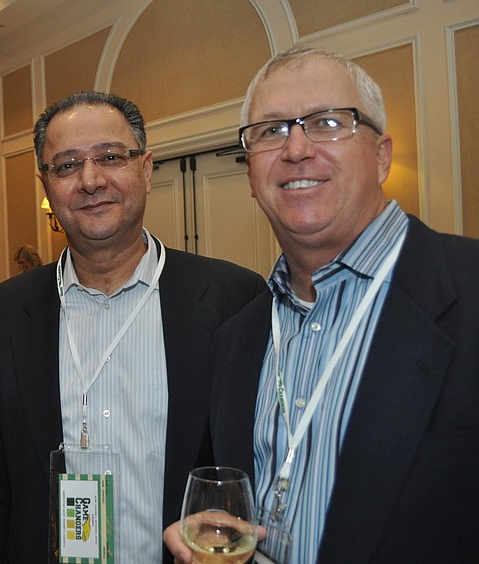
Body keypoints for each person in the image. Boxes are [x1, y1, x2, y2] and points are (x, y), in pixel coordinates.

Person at [164, 46, 479, 563]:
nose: (296, 148)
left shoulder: (467, 292)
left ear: (382, 155)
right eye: (271, 130)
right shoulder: (237, 337)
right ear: (251, 176)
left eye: (328, 122)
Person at [0, 90, 266, 563]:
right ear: (46, 184)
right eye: (67, 166)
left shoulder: (233, 299)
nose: (91, 180)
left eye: (110, 157)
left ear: (146, 169)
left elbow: (250, 464)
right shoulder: (4, 313)